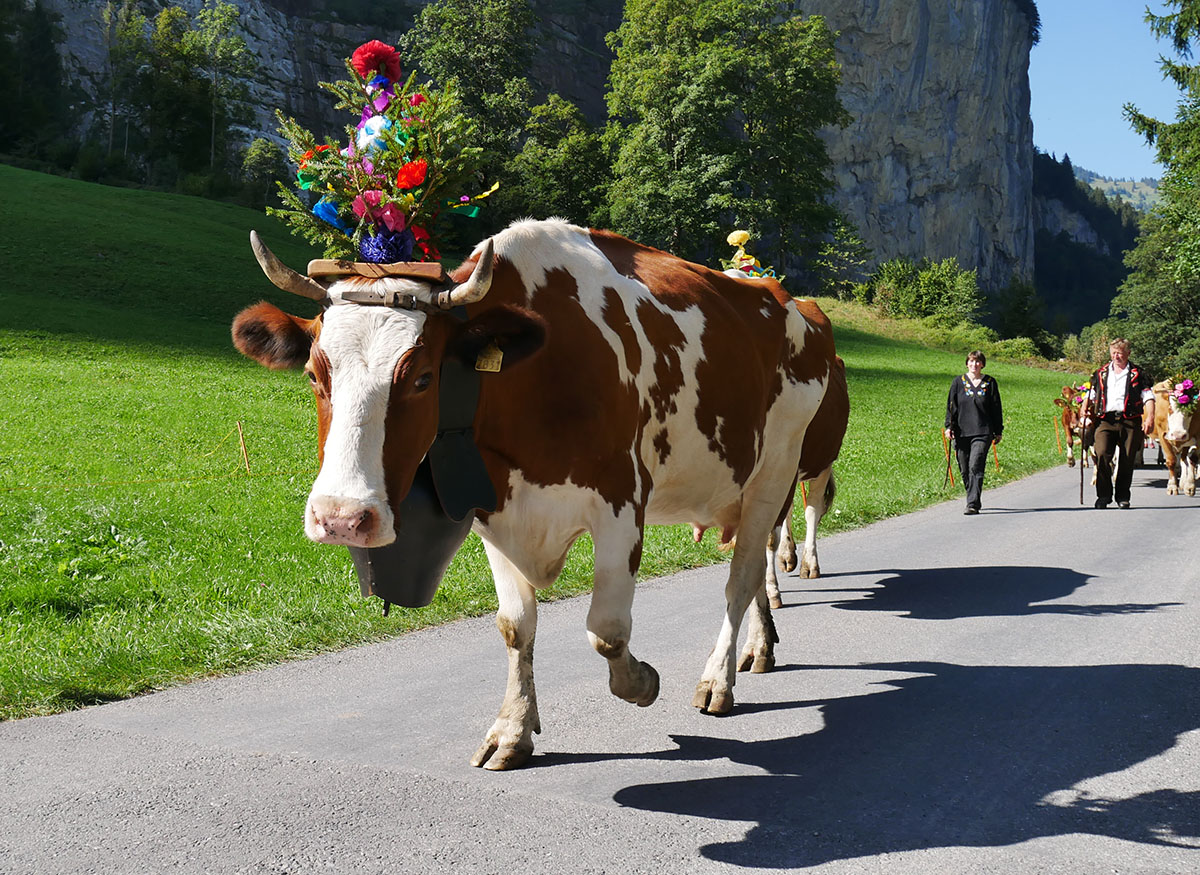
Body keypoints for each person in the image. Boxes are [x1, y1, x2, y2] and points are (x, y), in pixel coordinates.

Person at [1078, 338, 1155, 509]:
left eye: (1120, 352)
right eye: (1113, 352)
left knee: (1127, 459)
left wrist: (1150, 417)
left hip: (1130, 420)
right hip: (1105, 420)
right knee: (1102, 454)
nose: (1116, 356)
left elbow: (1148, 397)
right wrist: (1084, 406)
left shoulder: (1138, 374)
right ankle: (1103, 496)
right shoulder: (1101, 373)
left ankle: (1123, 497)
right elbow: (1092, 394)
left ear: (1128, 353)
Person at [944, 350, 1003, 515]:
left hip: (982, 431)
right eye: (971, 361)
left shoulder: (990, 383)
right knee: (964, 469)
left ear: (982, 364)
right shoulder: (958, 382)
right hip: (961, 432)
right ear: (966, 363)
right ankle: (972, 494)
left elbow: (996, 408)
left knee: (975, 465)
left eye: (977, 362)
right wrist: (949, 426)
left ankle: (973, 504)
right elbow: (951, 406)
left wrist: (998, 430)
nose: (974, 365)